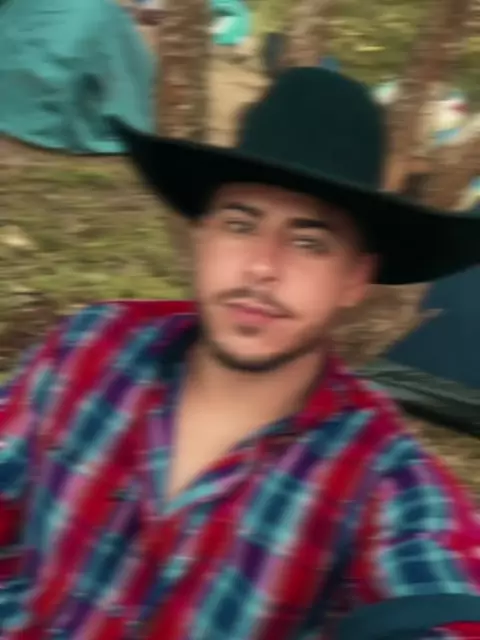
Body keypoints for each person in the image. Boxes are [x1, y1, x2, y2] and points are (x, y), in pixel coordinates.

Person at [1, 68, 480, 640]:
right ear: (202, 238)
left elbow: (435, 597)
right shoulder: (88, 347)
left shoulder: (380, 479)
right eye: (239, 224)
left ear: (356, 278)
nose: (261, 266)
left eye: (310, 241)